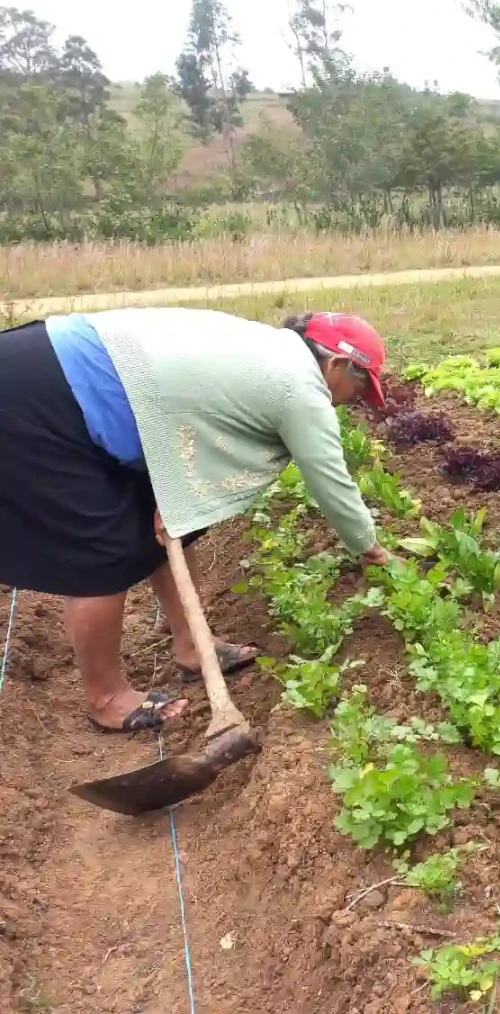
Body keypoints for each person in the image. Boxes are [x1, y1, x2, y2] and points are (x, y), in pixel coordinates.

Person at [0, 308, 393, 733]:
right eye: (358, 384)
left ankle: (193, 646)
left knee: (172, 523)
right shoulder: (298, 386)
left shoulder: (269, 351)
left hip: (56, 368)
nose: (352, 399)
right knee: (101, 548)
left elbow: (187, 405)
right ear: (335, 363)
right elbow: (331, 481)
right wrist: (371, 548)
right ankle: (106, 697)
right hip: (43, 392)